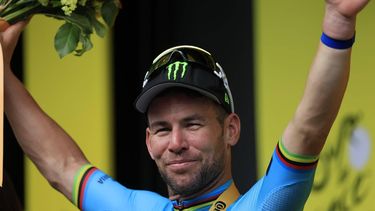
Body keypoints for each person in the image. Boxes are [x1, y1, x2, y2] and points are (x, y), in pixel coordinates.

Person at [1, 0, 370, 210]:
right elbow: (61, 166)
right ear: (148, 142)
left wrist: (338, 24)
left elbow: (309, 128)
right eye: (162, 128)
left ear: (231, 129)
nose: (175, 142)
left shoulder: (264, 205)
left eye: (192, 124)